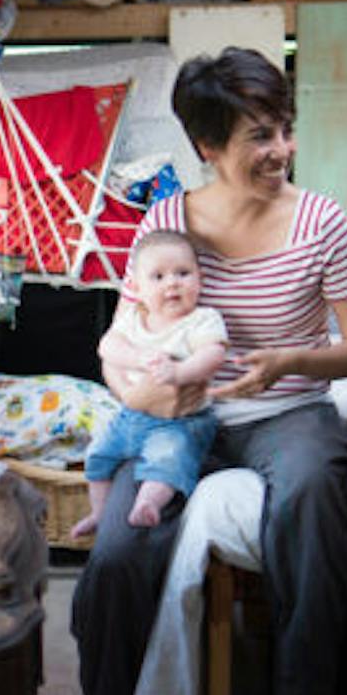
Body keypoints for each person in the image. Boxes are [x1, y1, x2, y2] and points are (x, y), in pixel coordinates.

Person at [70, 46, 347, 695]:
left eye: (282, 130)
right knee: (114, 555)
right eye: (258, 138)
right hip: (181, 418)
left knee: (311, 494)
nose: (281, 151)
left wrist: (288, 360)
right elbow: (121, 339)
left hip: (287, 407)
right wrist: (137, 391)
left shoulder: (321, 221)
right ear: (207, 148)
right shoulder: (168, 221)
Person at [71, 230, 229, 537]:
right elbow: (108, 347)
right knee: (98, 454)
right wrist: (139, 358)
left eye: (183, 273)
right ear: (136, 288)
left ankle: (148, 504)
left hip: (181, 421)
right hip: (131, 415)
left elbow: (214, 355)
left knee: (168, 458)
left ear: (201, 279)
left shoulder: (201, 320)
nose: (172, 283)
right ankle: (99, 514)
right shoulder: (133, 318)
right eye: (158, 277)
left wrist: (180, 373)